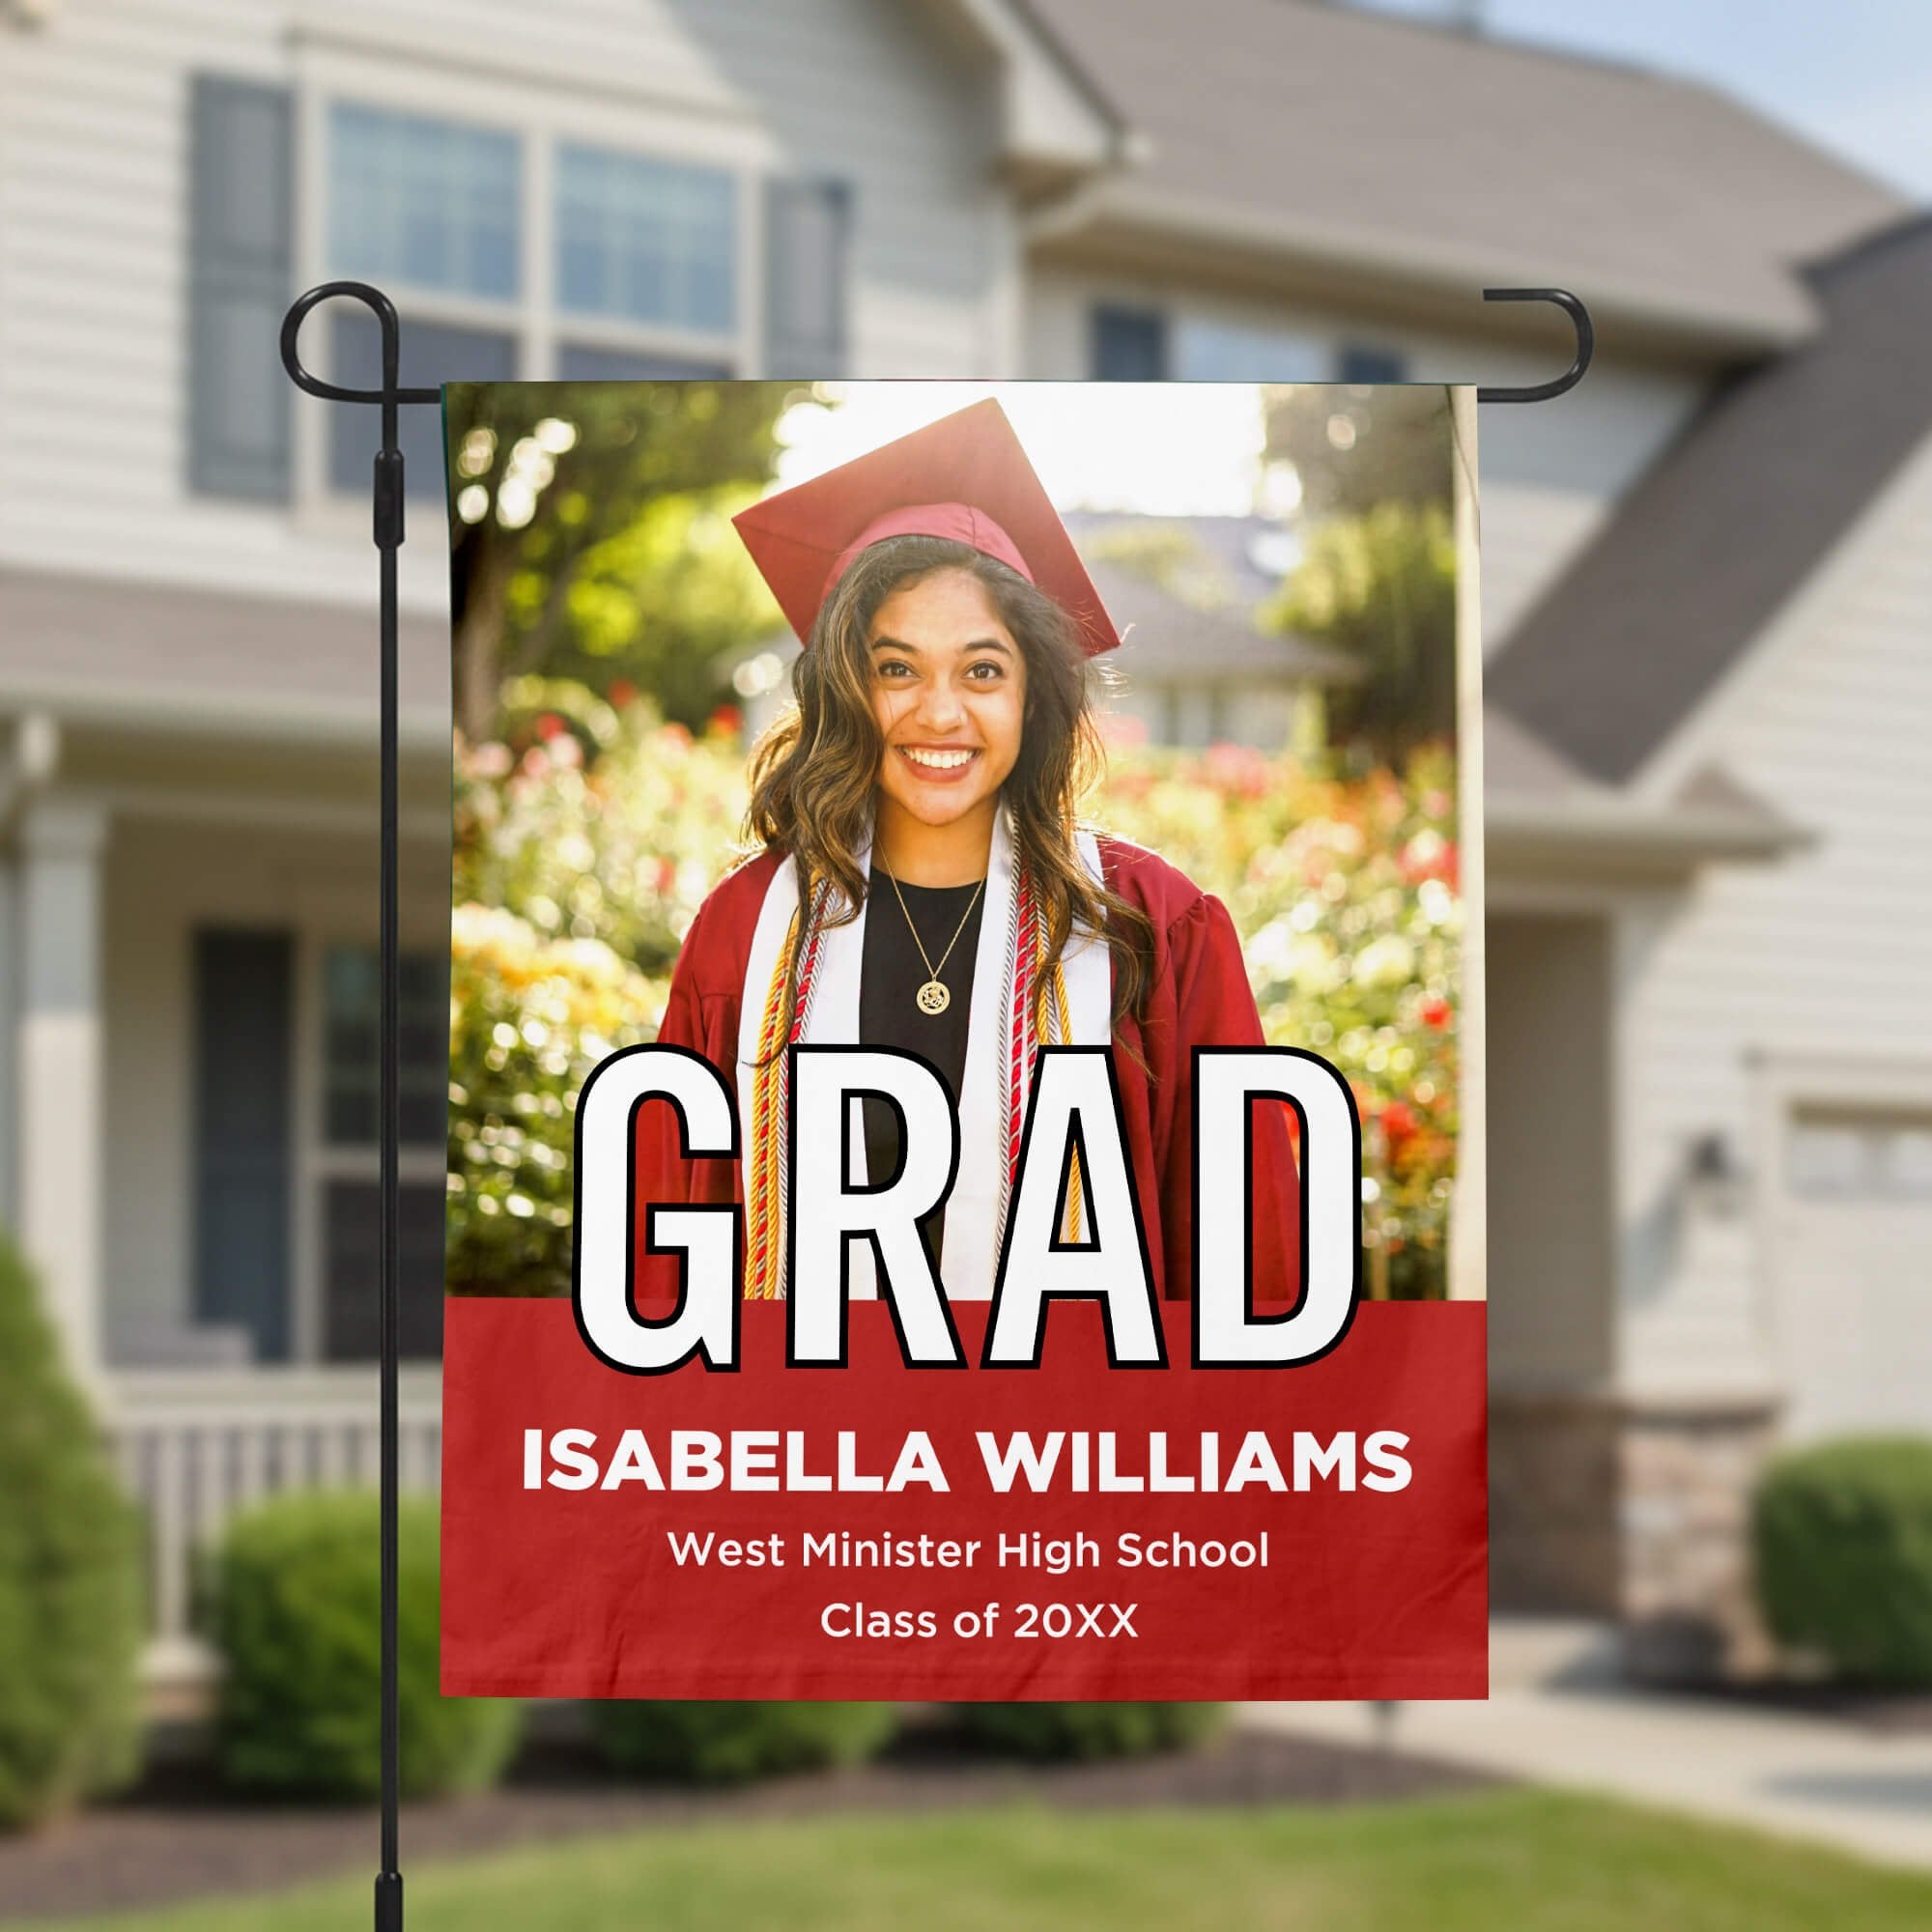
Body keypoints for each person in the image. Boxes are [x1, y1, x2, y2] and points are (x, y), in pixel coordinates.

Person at [634, 398, 1299, 1303]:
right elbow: (668, 1240)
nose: (940, 713)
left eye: (983, 670)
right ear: (843, 688)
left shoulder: (1152, 927)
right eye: (895, 667)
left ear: (1034, 695)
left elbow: (1250, 1254)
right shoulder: (746, 932)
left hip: (1074, 1439)